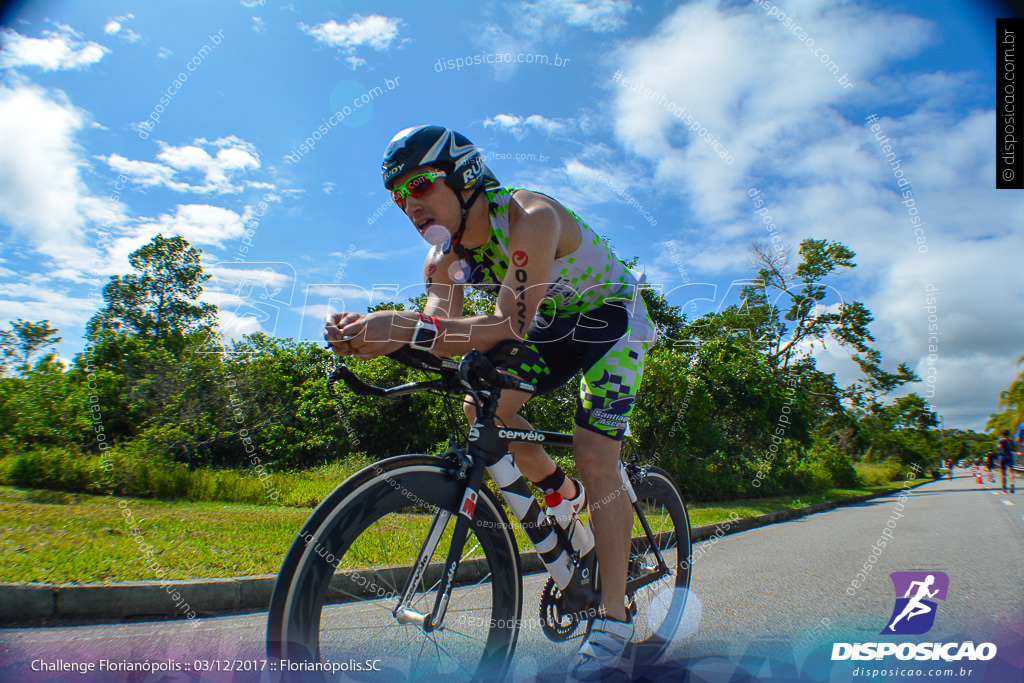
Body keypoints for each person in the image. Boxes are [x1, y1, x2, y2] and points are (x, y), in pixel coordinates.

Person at [324, 125, 656, 680]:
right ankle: (561, 495)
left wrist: (405, 327)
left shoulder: (532, 218)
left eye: (421, 185)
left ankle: (616, 620)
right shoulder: (443, 260)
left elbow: (506, 324)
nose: (410, 204)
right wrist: (373, 337)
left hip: (612, 318)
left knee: (596, 453)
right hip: (552, 324)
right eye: (398, 196)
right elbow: (441, 328)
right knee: (480, 406)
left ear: (466, 176)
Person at [997, 429, 1016, 494]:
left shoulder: (1001, 441)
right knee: (1011, 472)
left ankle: (1004, 487)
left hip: (1003, 457)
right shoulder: (1011, 441)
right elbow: (1014, 450)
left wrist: (1001, 453)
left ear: (1002, 435)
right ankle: (1012, 485)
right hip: (1010, 457)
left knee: (1003, 473)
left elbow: (999, 449)